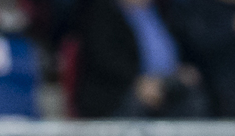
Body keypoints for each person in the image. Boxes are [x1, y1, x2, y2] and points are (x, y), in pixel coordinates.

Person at [70, 0, 208, 119]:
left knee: (192, 93)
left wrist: (182, 69)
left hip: (165, 82)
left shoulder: (160, 10)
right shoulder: (101, 12)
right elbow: (104, 59)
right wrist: (137, 82)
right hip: (118, 90)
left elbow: (182, 45)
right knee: (137, 99)